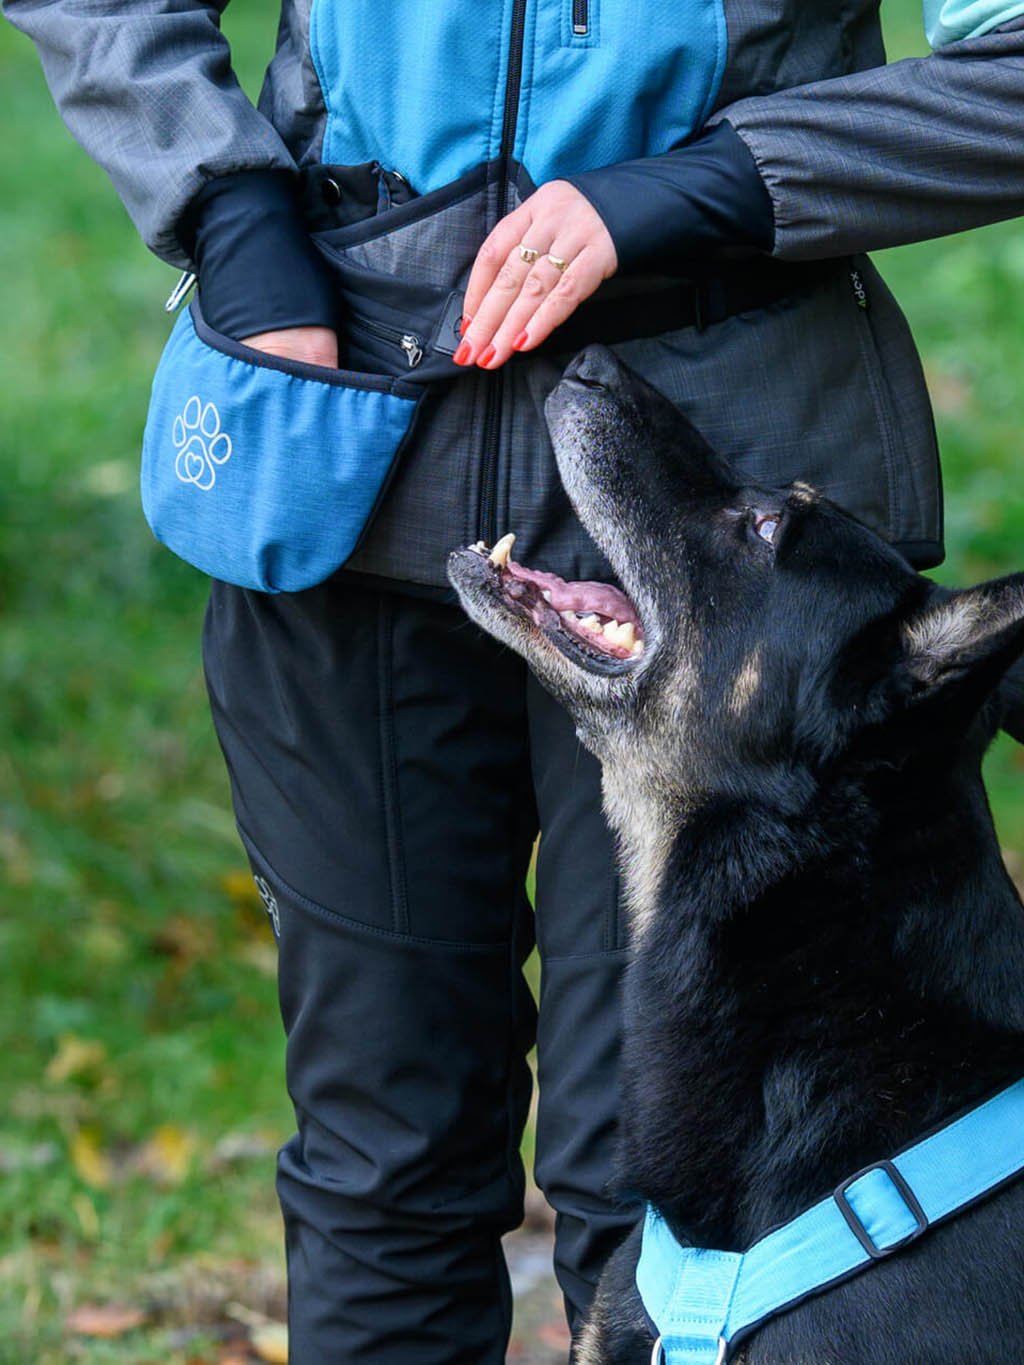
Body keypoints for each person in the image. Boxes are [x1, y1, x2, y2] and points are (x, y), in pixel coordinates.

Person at [5, 0, 1024, 1359]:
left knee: (663, 1209)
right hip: (341, 468)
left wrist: (703, 188)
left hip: (737, 589)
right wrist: (229, 210)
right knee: (384, 1175)